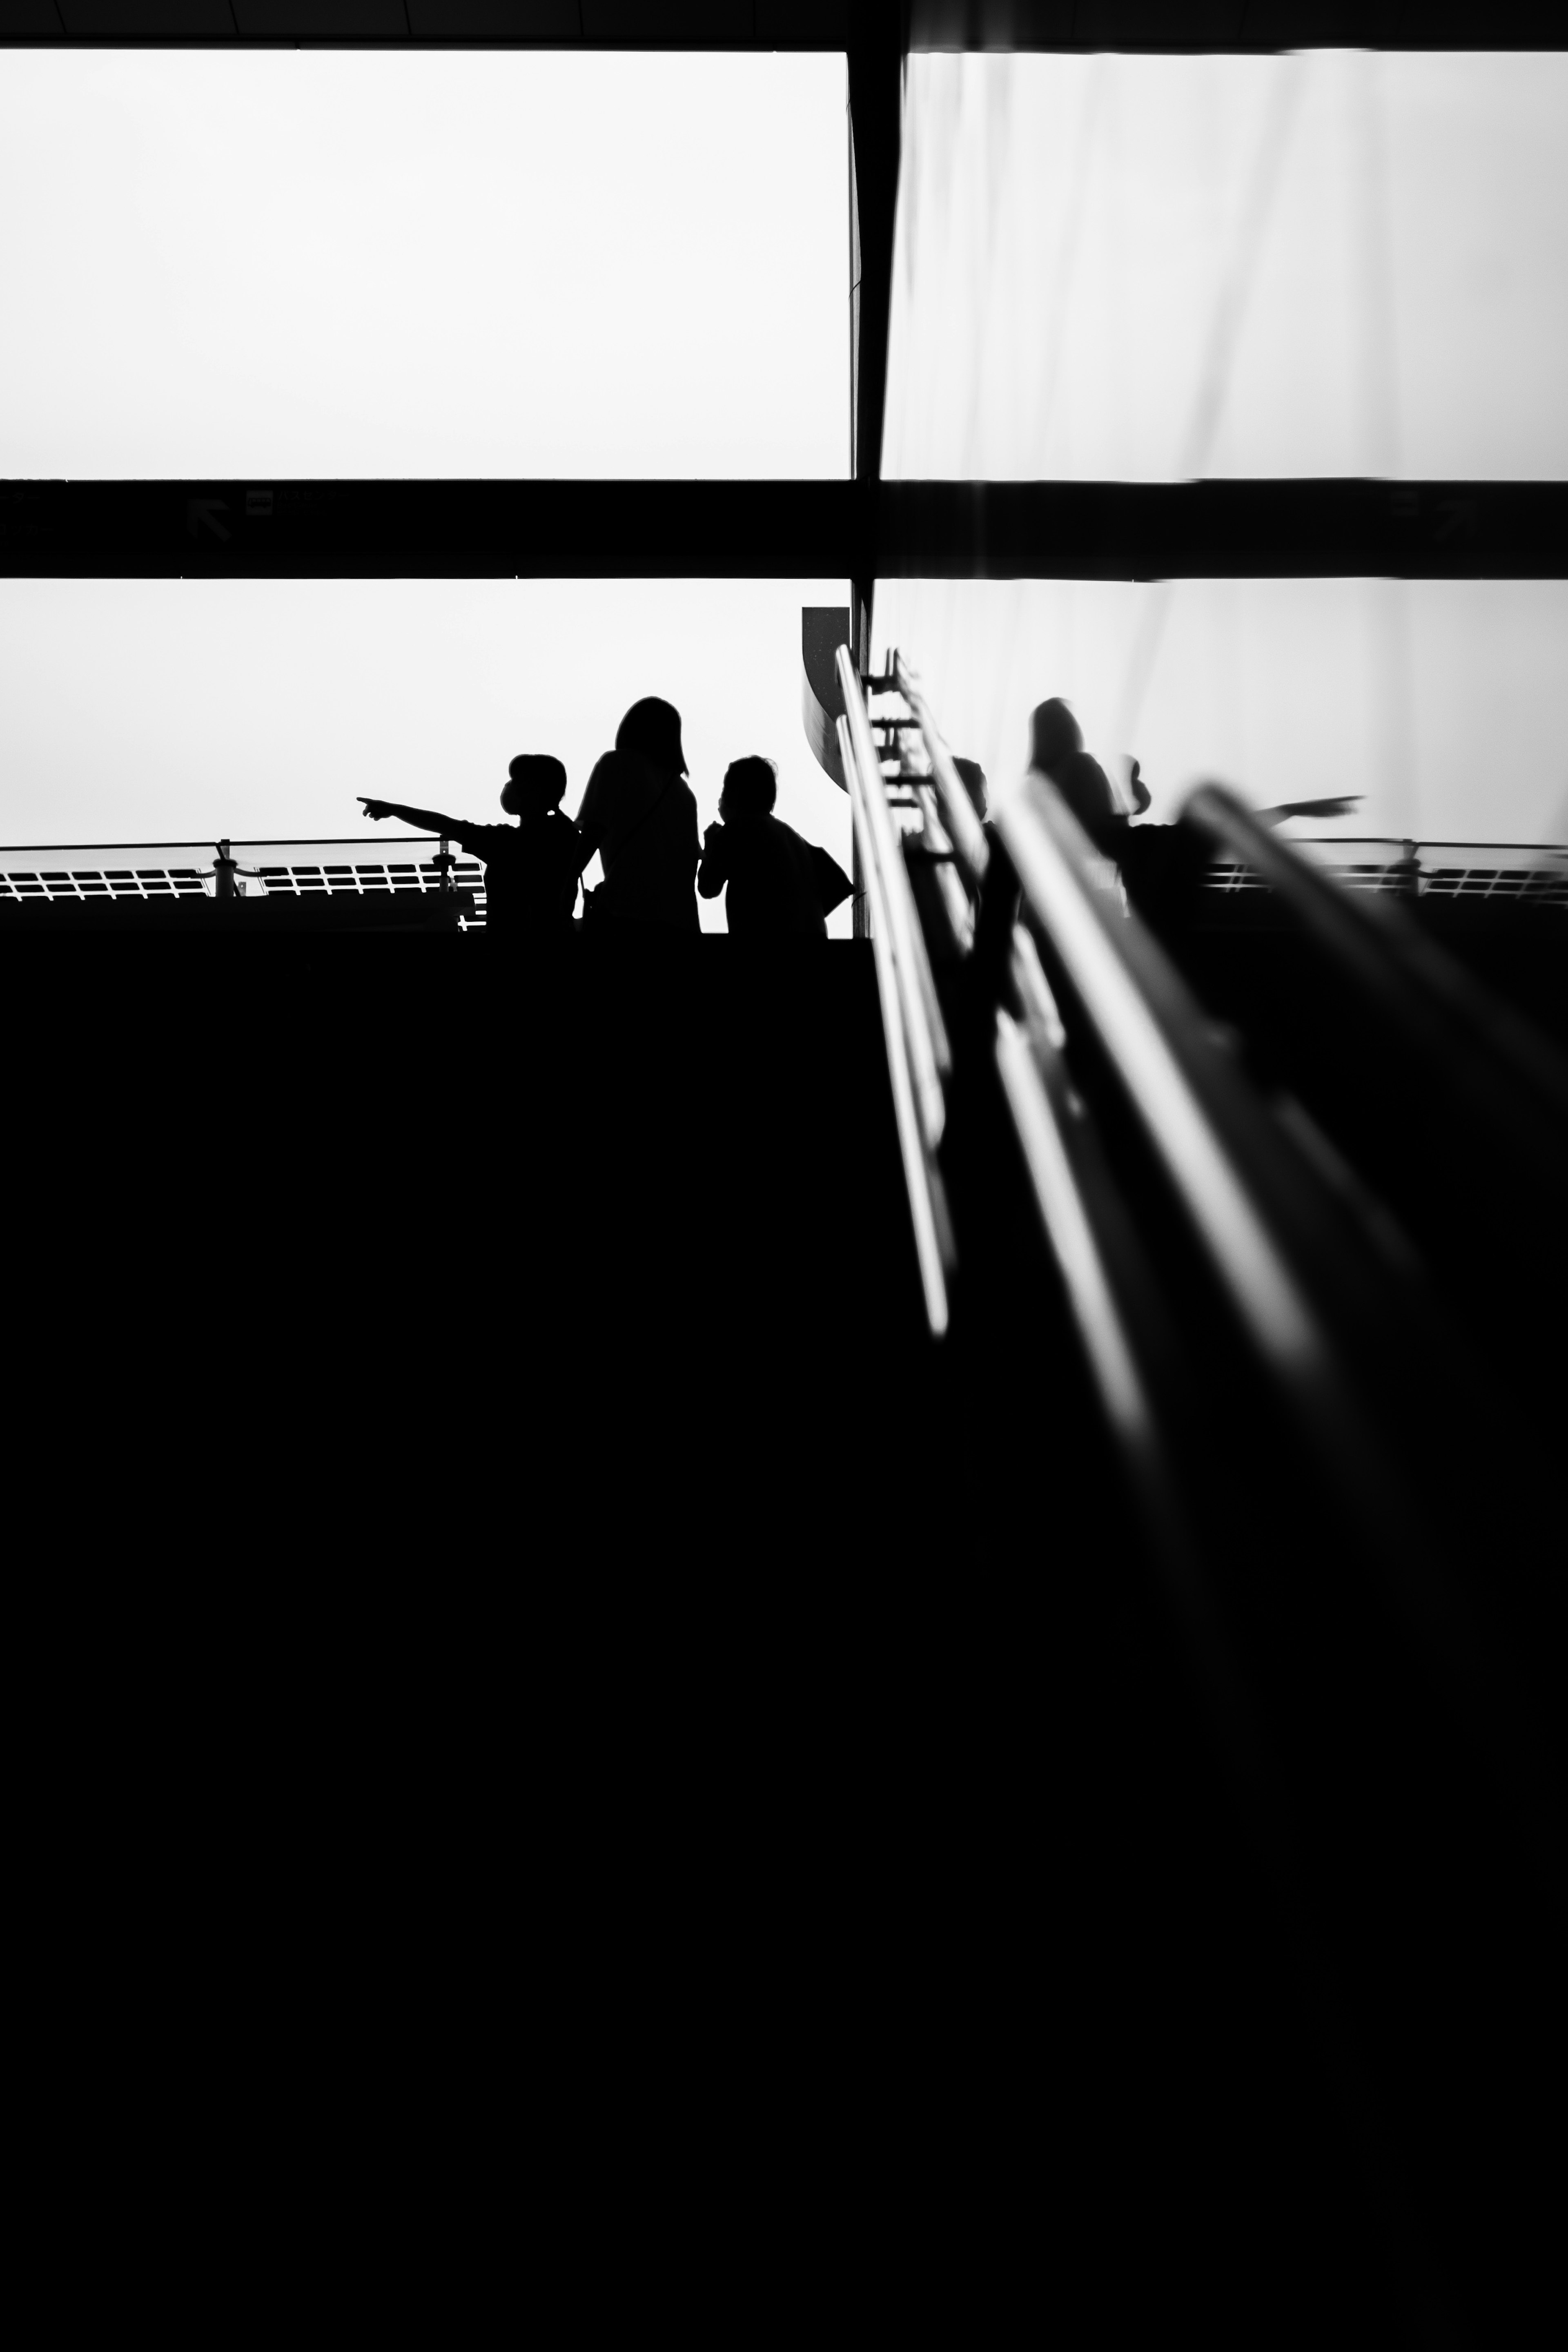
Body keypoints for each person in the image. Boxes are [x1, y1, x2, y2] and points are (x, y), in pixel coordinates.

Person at [359, 755, 579, 941]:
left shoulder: (509, 842)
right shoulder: (566, 835)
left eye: (516, 781)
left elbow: (448, 826)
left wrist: (394, 809)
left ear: (533, 791)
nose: (509, 786)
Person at [575, 698, 701, 935]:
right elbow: (689, 862)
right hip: (681, 922)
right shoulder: (684, 792)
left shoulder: (616, 764)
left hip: (626, 912)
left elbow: (593, 833)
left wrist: (565, 881)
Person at [697, 756, 853, 940]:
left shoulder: (737, 829)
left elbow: (708, 887)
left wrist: (710, 845)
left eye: (725, 789)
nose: (721, 798)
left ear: (736, 792)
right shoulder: (792, 836)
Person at [1028, 698, 1150, 855]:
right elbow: (1105, 829)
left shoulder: (1036, 784)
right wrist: (1134, 806)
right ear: (1069, 729)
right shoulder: (1080, 765)